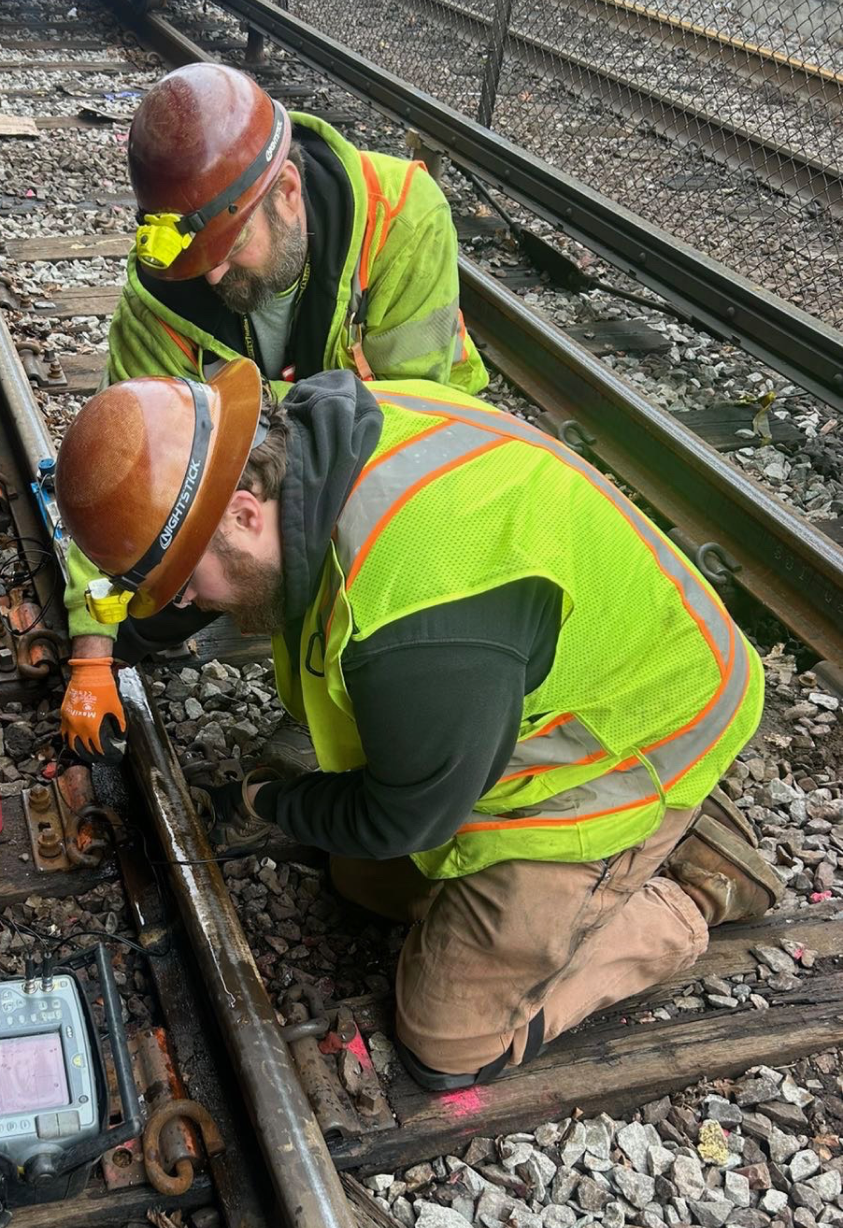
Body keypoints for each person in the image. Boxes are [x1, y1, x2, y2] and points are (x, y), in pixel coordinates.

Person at [53, 359, 780, 1088]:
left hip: (638, 735)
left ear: (243, 513)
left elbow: (404, 818)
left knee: (447, 1047)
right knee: (358, 880)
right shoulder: (307, 443)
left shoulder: (418, 628)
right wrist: (99, 654)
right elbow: (200, 575)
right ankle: (627, 853)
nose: (185, 603)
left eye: (184, 583)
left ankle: (688, 891)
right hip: (533, 685)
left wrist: (266, 800)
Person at [60, 63, 488, 763]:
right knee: (163, 587)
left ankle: (343, 712)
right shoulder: (160, 301)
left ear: (287, 191)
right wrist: (93, 650)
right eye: (196, 262)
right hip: (276, 473)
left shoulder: (401, 217)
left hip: (410, 453)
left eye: (230, 249)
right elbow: (126, 471)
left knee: (313, 555)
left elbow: (404, 433)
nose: (214, 277)